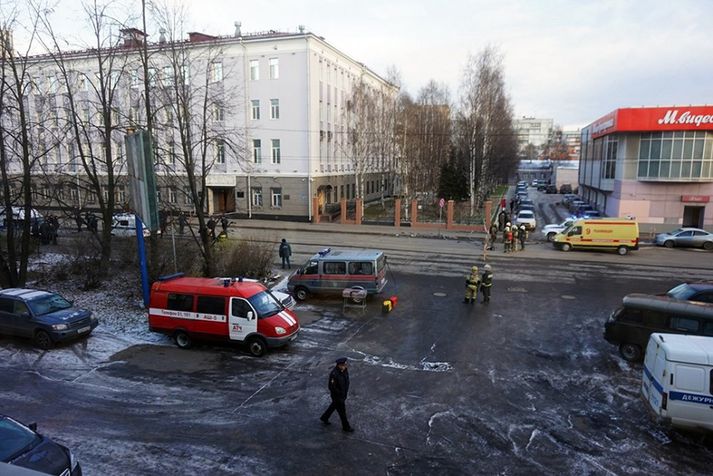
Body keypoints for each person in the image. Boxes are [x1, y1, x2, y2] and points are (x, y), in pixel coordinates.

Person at [320, 357, 354, 432]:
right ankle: (346, 427)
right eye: (344, 365)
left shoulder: (344, 370)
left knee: (333, 406)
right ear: (339, 365)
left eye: (345, 364)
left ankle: (324, 417)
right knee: (342, 412)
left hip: (343, 395)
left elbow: (346, 381)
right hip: (337, 397)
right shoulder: (334, 374)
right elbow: (331, 387)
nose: (346, 365)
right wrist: (340, 394)